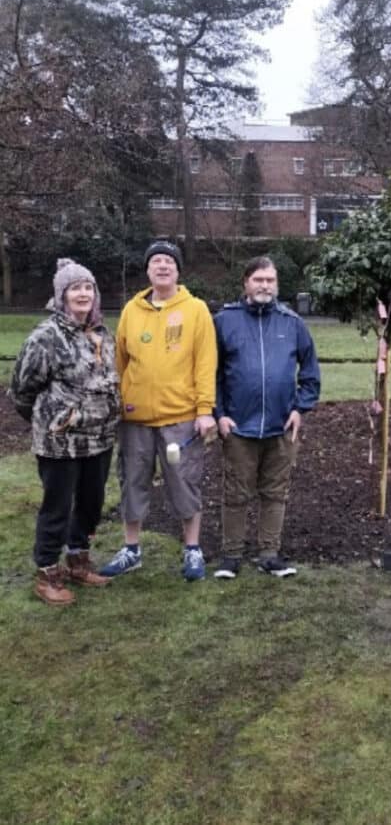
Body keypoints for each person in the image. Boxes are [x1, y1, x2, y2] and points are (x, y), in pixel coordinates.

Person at [100, 240, 217, 582]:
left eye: (169, 261)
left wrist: (204, 409)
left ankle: (192, 549)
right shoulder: (130, 311)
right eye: (156, 262)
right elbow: (119, 362)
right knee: (132, 482)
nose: (162, 266)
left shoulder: (196, 310)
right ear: (148, 270)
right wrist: (118, 403)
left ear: (178, 271)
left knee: (184, 483)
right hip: (135, 419)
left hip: (180, 419)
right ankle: (131, 549)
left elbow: (205, 364)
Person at [9, 258, 120, 605]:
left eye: (88, 287)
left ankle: (78, 561)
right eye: (75, 288)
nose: (83, 293)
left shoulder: (102, 334)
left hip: (99, 439)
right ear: (62, 295)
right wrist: (54, 420)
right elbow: (22, 390)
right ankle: (47, 573)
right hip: (60, 443)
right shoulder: (46, 337)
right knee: (56, 507)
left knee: (91, 503)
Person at [212, 256, 320, 579]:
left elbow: (311, 373)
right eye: (258, 279)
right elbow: (210, 373)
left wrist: (301, 409)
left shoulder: (292, 323)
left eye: (270, 280)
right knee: (236, 492)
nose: (265, 286)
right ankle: (231, 556)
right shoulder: (224, 321)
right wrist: (219, 414)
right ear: (245, 282)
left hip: (280, 428)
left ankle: (269, 554)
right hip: (238, 427)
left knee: (275, 492)